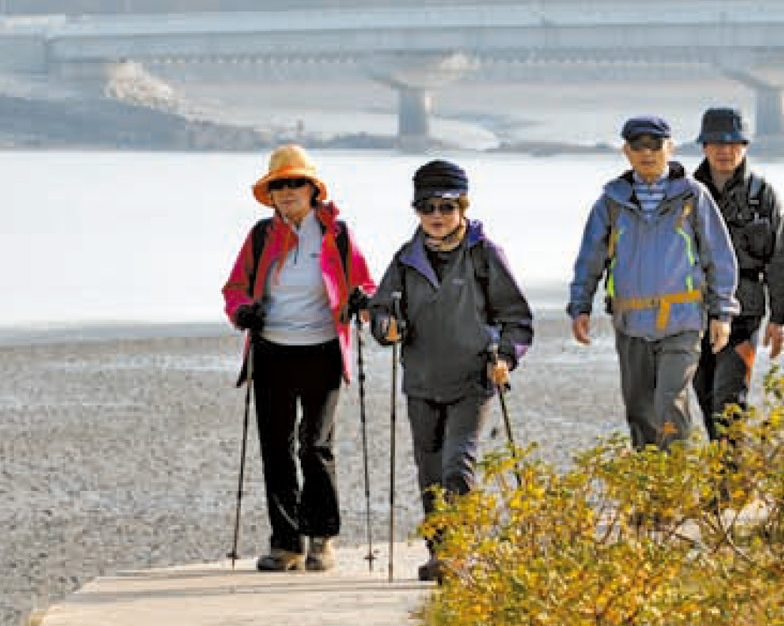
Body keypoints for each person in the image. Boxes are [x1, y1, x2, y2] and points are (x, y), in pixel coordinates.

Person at [369, 160, 534, 582]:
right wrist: (385, 328)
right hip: (421, 381)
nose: (437, 216)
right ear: (417, 211)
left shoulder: (484, 255)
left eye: (445, 206)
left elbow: (517, 319)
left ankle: (458, 554)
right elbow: (382, 311)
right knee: (429, 472)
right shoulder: (405, 259)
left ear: (462, 207)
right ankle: (440, 551)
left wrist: (506, 357)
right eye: (427, 207)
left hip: (473, 380)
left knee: (457, 465)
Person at [221, 144, 376, 573]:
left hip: (323, 351)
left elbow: (366, 285)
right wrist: (242, 312)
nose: (287, 191)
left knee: (315, 445)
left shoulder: (337, 235)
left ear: (313, 189)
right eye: (278, 185)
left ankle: (322, 538)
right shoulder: (260, 236)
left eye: (295, 183)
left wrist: (364, 303)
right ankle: (286, 543)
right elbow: (234, 288)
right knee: (275, 448)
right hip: (271, 352)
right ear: (270, 194)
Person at [568, 116, 739, 450]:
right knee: (639, 410)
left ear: (670, 148)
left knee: (670, 404)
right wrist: (580, 306)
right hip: (631, 323)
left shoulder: (693, 196)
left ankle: (674, 492)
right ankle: (650, 492)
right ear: (626, 151)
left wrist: (722, 314)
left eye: (655, 145)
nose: (647, 153)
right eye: (638, 145)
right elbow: (590, 257)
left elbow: (719, 256)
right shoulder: (611, 202)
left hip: (683, 320)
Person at [690, 107, 784, 443]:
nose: (725, 150)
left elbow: (779, 259)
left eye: (734, 143)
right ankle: (729, 482)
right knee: (705, 399)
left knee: (729, 404)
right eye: (717, 142)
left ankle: (730, 490)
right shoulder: (684, 195)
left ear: (745, 146)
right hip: (692, 314)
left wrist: (779, 318)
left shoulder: (762, 195)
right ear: (704, 146)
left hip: (744, 313)